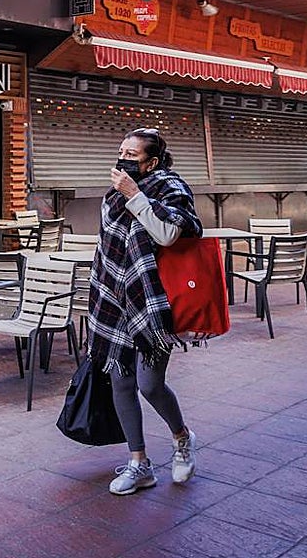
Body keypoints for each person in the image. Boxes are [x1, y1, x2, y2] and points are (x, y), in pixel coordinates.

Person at [88, 127, 203, 496]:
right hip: (116, 298)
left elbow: (168, 235)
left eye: (132, 155)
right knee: (120, 380)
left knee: (149, 383)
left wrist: (135, 195)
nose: (123, 159)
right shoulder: (112, 195)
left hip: (152, 300)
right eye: (120, 151)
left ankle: (182, 437)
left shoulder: (170, 187)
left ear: (151, 162)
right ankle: (139, 463)